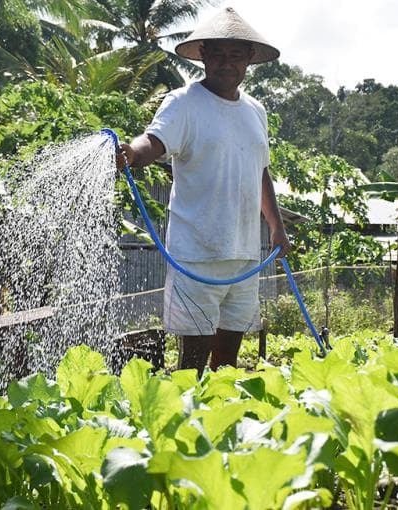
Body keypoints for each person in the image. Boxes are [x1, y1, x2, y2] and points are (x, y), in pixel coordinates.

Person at [118, 7, 290, 373]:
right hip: (196, 253)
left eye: (236, 55)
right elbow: (154, 142)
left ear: (248, 61)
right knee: (192, 361)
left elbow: (260, 170)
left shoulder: (256, 111)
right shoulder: (183, 104)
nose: (227, 63)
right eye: (218, 54)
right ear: (204, 58)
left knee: (228, 361)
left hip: (244, 253)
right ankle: (184, 424)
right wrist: (131, 154)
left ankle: (219, 419)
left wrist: (276, 225)